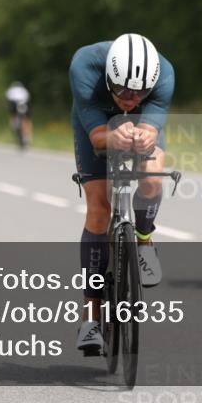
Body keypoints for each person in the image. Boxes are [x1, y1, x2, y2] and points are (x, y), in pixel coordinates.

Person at [71, 34, 175, 354]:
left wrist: (143, 137)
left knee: (152, 176)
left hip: (143, 124)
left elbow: (151, 130)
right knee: (99, 210)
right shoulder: (85, 67)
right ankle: (90, 317)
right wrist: (114, 136)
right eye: (124, 91)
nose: (131, 99)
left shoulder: (164, 74)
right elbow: (99, 139)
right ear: (109, 78)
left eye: (139, 92)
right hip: (97, 123)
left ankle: (143, 237)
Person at [5, 81, 33, 146]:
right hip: (24, 104)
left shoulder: (11, 90)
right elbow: (28, 98)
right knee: (27, 119)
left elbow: (8, 100)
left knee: (13, 116)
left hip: (14, 104)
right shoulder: (24, 90)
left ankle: (14, 127)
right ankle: (28, 135)